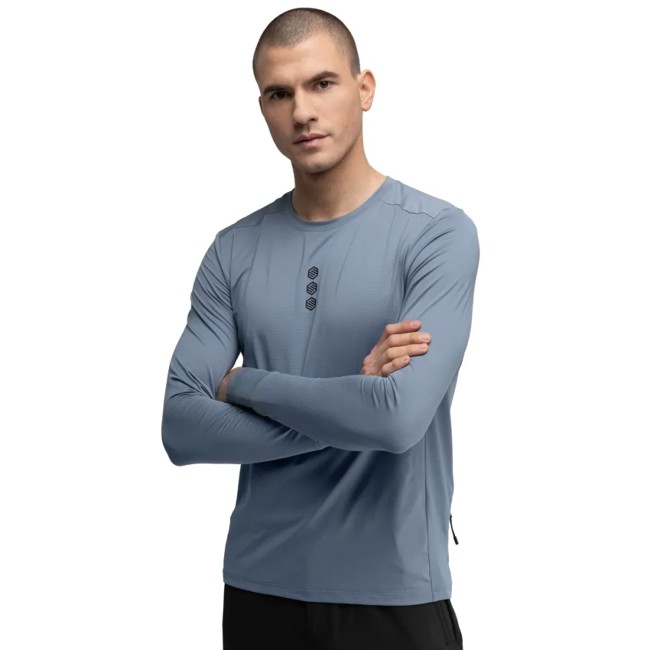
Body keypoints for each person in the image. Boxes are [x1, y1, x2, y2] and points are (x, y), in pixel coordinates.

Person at [161, 7, 479, 649]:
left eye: (322, 84)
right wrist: (351, 407)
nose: (302, 111)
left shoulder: (437, 235)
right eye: (280, 94)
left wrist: (244, 385)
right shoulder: (232, 250)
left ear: (365, 88)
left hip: (393, 596)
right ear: (263, 108)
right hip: (258, 592)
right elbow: (181, 428)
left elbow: (396, 420)